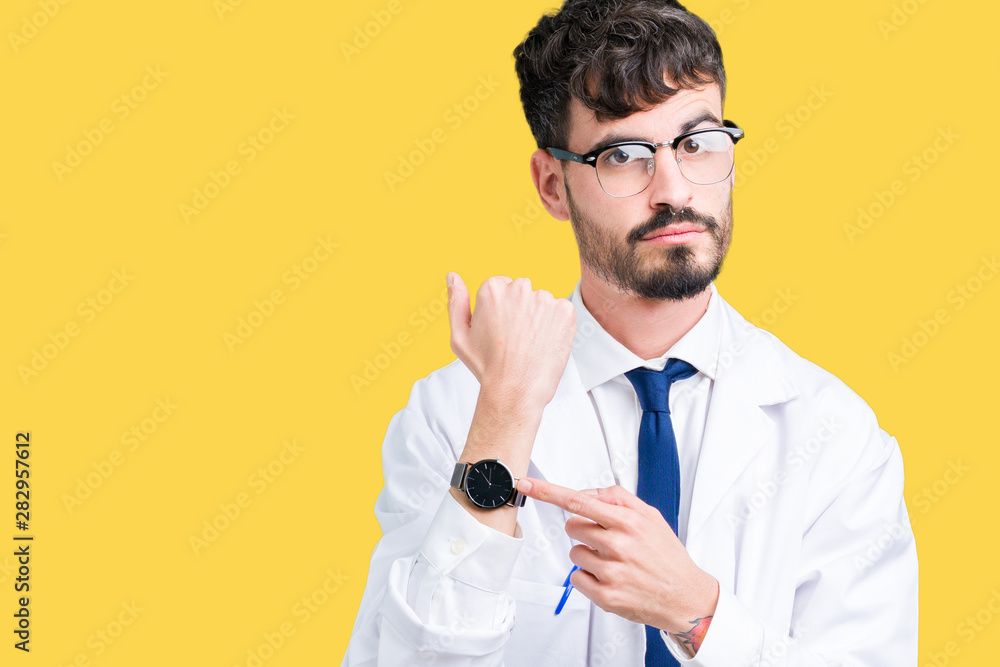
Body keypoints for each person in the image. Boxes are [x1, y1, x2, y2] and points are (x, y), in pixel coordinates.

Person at [341, 1, 918, 664]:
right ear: (554, 185)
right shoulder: (453, 415)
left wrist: (696, 612)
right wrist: (503, 418)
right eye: (624, 154)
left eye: (697, 142)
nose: (673, 188)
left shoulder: (834, 435)